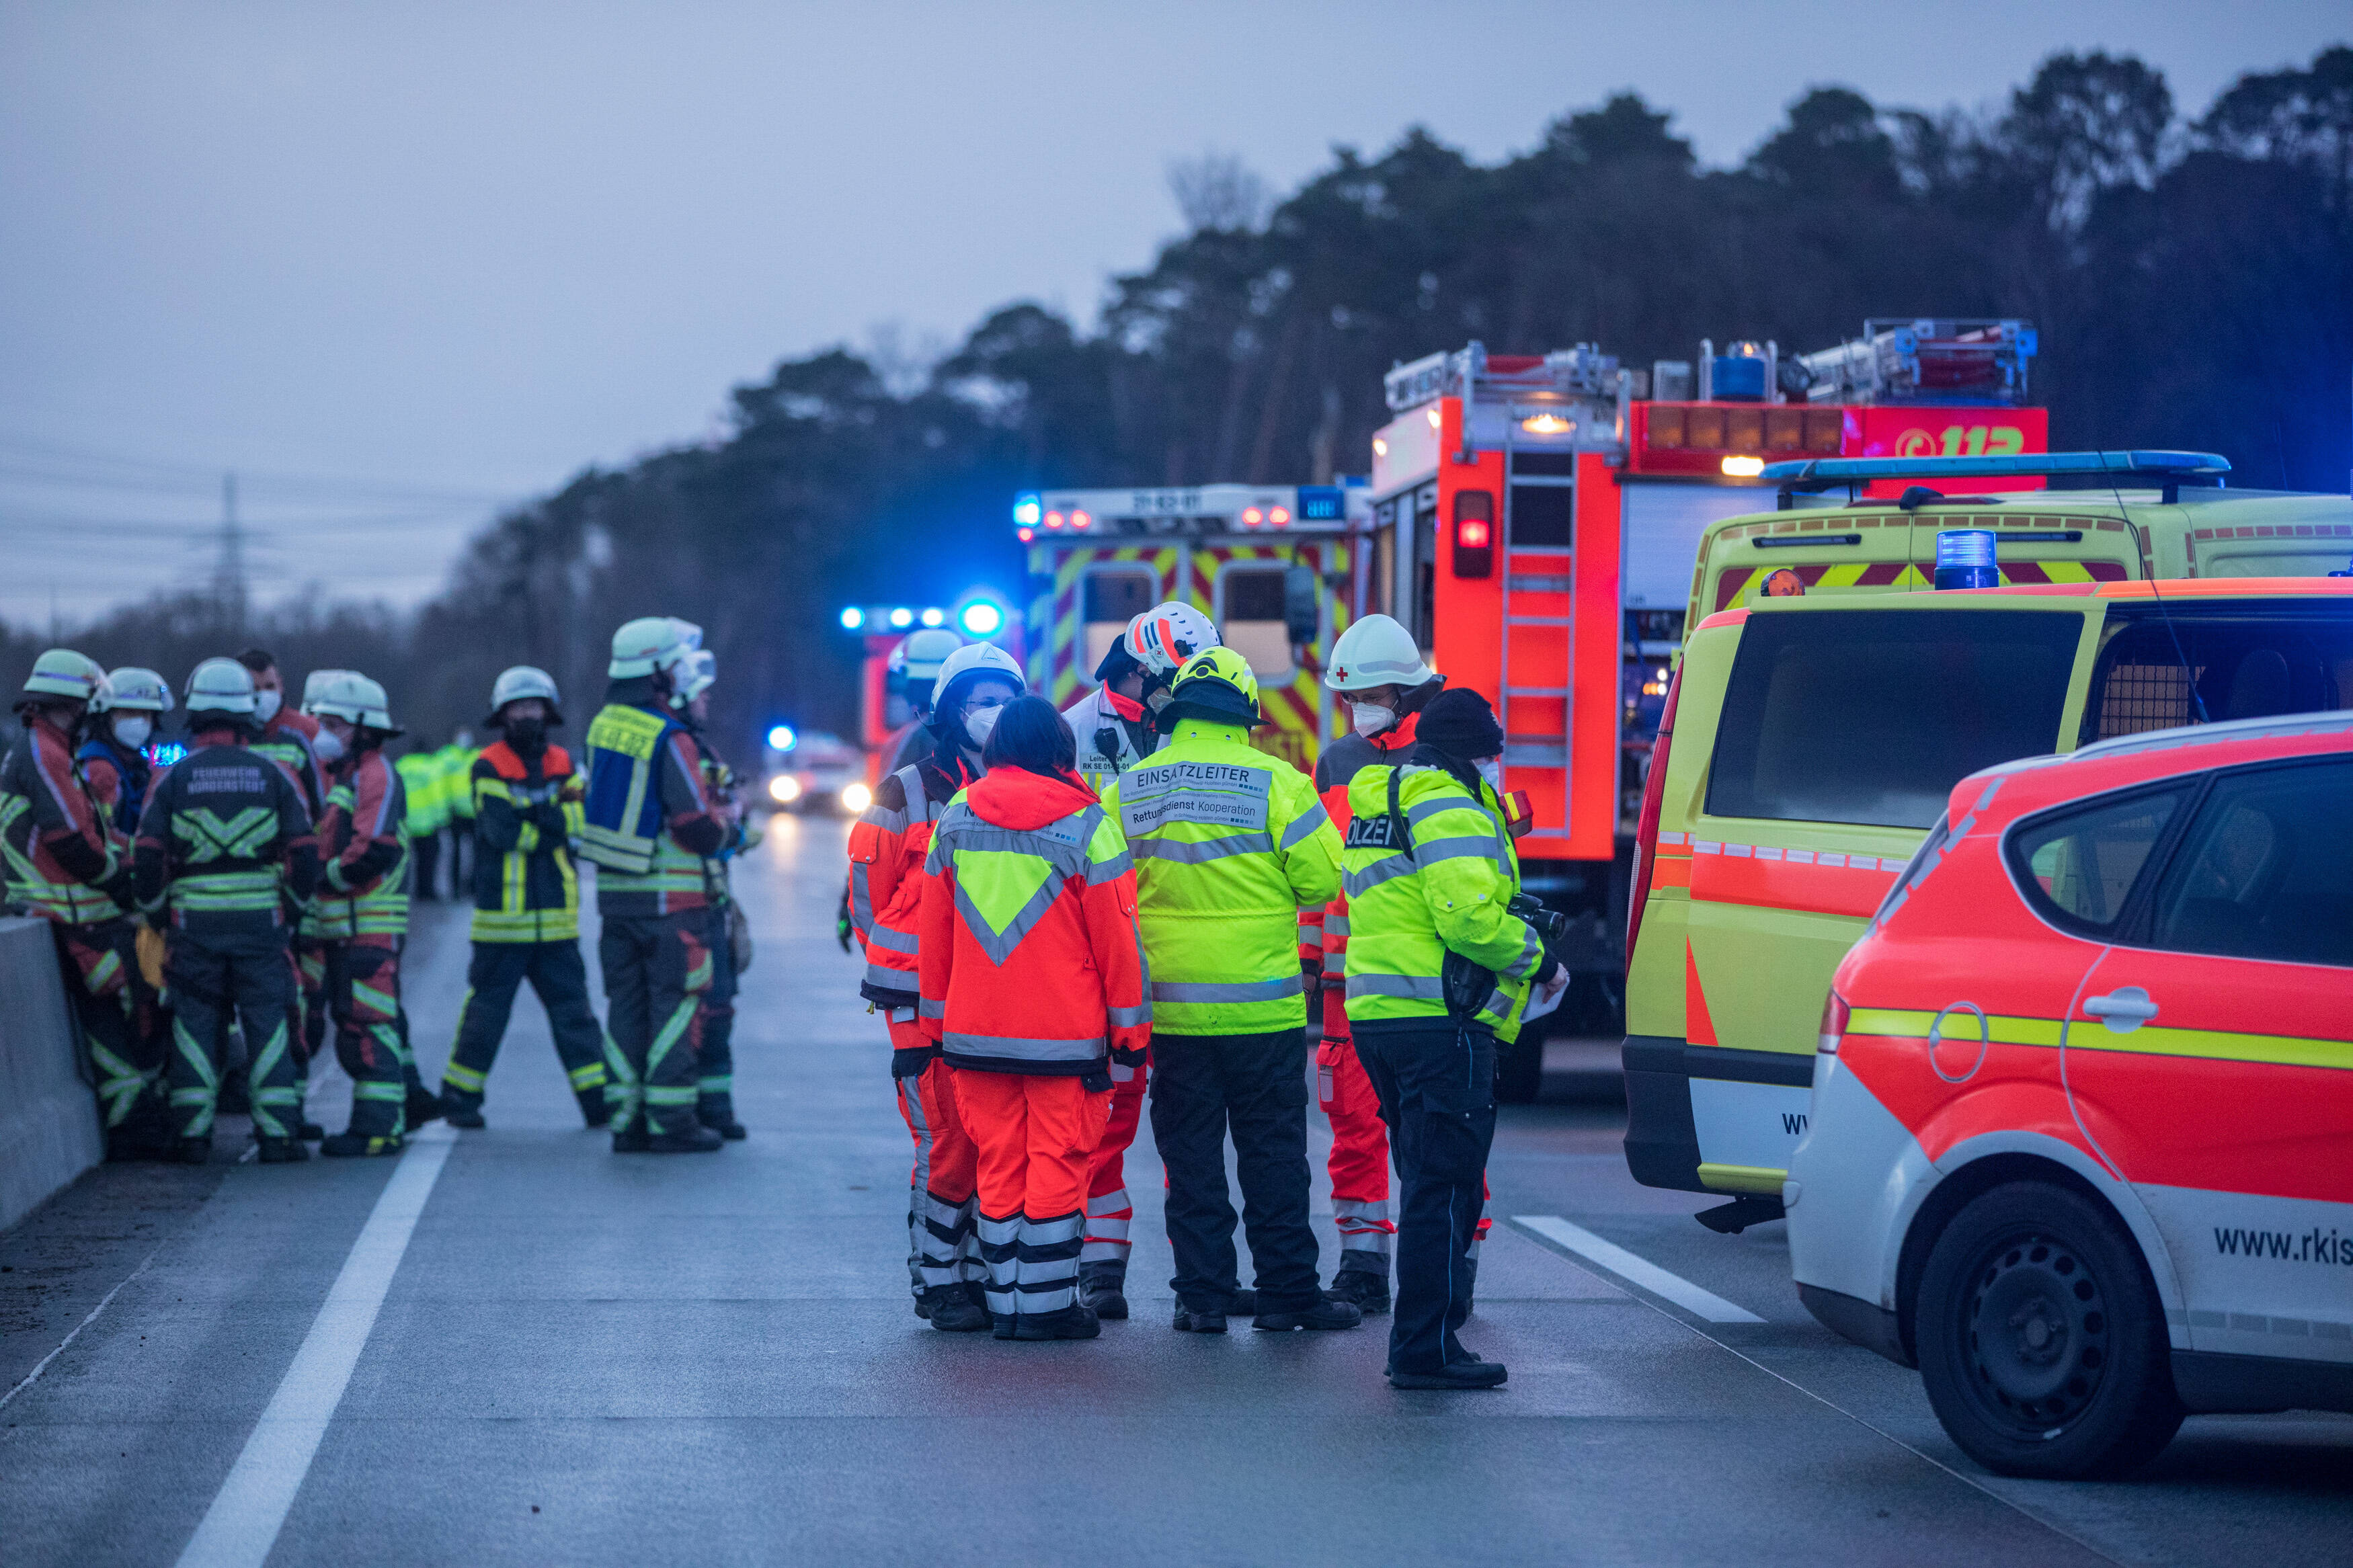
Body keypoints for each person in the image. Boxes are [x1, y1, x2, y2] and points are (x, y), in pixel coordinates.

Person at [1100, 647, 1356, 1335]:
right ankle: (1285, 1295)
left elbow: (1104, 887)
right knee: (1273, 1155)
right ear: (1244, 714)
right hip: (1260, 1010)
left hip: (1171, 1013)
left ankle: (1202, 1297)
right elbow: (1322, 882)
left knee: (1190, 1159)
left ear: (1177, 709)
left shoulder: (1129, 787)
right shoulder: (1279, 781)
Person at [1341, 687, 1567, 1390]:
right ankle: (1422, 1348)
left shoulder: (1377, 800)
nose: (1496, 769)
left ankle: (1427, 1338)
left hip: (1379, 1015)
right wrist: (1541, 959)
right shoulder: (1449, 801)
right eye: (1492, 755)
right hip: (1441, 1020)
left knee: (1424, 1180)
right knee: (1442, 1189)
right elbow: (1466, 921)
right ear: (1475, 752)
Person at [915, 694, 1148, 1342]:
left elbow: (934, 937)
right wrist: (1130, 1035)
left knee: (998, 1166)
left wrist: (937, 1023)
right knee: (1059, 1161)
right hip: (1062, 1041)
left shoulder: (956, 816)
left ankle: (1008, 1301)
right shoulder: (1088, 823)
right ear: (1060, 752)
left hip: (971, 1035)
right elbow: (1118, 944)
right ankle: (1041, 1308)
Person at [848, 640, 1025, 1332]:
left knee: (993, 1140)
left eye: (1005, 698)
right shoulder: (906, 790)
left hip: (997, 1001)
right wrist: (905, 974)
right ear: (950, 711)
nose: (995, 712)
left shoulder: (1030, 785)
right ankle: (937, 1278)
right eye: (981, 700)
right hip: (920, 1000)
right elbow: (868, 898)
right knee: (946, 1140)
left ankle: (978, 1273)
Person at [1065, 602, 1219, 1316]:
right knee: (1103, 1119)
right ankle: (1102, 1269)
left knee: (1185, 1128)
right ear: (1136, 669)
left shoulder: (1191, 730)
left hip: (1181, 953)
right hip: (1102, 956)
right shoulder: (1074, 731)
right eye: (1170, 680)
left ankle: (1203, 1277)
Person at [1311, 613, 1447, 1312]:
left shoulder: (1444, 754)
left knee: (1438, 1136)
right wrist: (1309, 964)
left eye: (1371, 696)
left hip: (1430, 987)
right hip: (1346, 986)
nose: (1357, 710)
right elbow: (1316, 875)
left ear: (1407, 692)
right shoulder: (1335, 761)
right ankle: (1361, 1262)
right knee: (1355, 1131)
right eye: (1350, 698)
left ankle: (1452, 1267)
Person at [132, 658, 320, 1163]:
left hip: (194, 929)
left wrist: (155, 912)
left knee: (193, 1023)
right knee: (268, 1024)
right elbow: (306, 852)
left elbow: (147, 853)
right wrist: (292, 909)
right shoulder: (275, 774)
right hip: (263, 925)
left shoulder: (172, 777)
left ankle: (192, 1137)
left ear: (193, 712)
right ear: (247, 715)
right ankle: (278, 1136)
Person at [1, 652, 165, 1160]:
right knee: (127, 997)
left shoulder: (55, 749)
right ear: (76, 705)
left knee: (147, 985)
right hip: (67, 912)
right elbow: (72, 840)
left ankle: (146, 1106)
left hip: (82, 911)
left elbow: (94, 830)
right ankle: (136, 1118)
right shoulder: (43, 753)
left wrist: (133, 858)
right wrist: (123, 883)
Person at [579, 617, 731, 1154]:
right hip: (673, 903)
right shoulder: (671, 736)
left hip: (615, 900)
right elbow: (693, 819)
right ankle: (672, 1120)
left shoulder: (601, 726)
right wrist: (727, 828)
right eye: (673, 666)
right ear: (657, 673)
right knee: (677, 1002)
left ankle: (627, 1117)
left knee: (625, 1005)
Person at [438, 665, 610, 1130]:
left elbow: (579, 825)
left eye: (535, 706)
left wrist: (538, 816)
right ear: (503, 713)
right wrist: (551, 817)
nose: (528, 714)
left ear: (547, 711)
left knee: (576, 1016)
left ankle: (600, 1101)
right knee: (486, 1016)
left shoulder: (564, 762)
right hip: (501, 921)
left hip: (557, 918)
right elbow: (501, 832)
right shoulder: (487, 763)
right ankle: (460, 1098)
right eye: (519, 707)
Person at [306, 673, 428, 1157]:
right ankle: (379, 1123)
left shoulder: (375, 774)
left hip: (367, 930)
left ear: (361, 728)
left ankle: (378, 1129)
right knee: (357, 1025)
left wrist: (319, 876)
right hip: (348, 930)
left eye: (333, 723)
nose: (324, 731)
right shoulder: (348, 775)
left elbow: (372, 849)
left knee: (369, 1028)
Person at [71, 665, 176, 1155]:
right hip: (118, 906)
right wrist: (150, 852)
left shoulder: (142, 757)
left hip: (142, 902)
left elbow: (181, 767)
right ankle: (144, 1109)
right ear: (105, 715)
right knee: (142, 1001)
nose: (140, 721)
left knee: (156, 995)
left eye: (147, 714)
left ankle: (157, 1098)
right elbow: (107, 836)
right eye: (129, 712)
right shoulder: (100, 767)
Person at [238, 649, 332, 1141]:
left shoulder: (305, 737)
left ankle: (291, 1105)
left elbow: (325, 813)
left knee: (307, 1003)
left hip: (298, 893)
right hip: (250, 899)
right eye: (252, 688)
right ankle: (278, 1109)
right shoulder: (223, 738)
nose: (262, 697)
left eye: (269, 686)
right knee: (268, 1004)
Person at [671, 649, 752, 1139]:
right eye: (701, 693)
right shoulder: (684, 750)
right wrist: (734, 827)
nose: (707, 700)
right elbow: (707, 819)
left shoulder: (699, 749)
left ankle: (716, 1108)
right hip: (694, 900)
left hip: (713, 898)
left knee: (720, 1008)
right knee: (707, 1008)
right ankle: (703, 1109)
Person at [395, 742, 447, 900]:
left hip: (404, 822)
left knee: (402, 861)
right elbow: (438, 795)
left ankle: (402, 890)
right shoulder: (431, 767)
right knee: (428, 861)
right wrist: (442, 819)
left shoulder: (401, 766)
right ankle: (425, 891)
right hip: (427, 823)